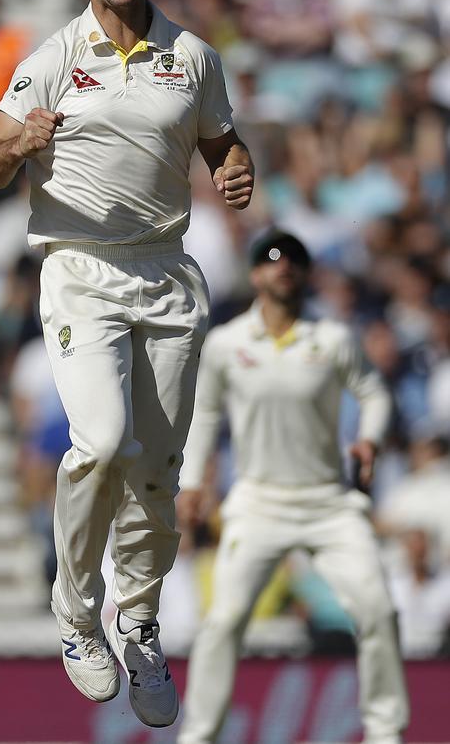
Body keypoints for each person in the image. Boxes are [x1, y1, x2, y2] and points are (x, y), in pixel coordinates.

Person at [0, 0, 254, 729]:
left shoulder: (192, 56)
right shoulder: (54, 57)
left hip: (168, 274)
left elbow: (220, 146)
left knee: (158, 478)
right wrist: (19, 143)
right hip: (81, 273)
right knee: (98, 442)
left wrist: (237, 169)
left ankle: (140, 623)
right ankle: (76, 613)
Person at [176, 229, 409, 744]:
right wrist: (192, 482)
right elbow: (204, 415)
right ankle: (198, 734)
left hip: (328, 501)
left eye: (293, 262)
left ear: (304, 274)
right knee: (223, 621)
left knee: (376, 608)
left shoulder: (332, 340)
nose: (282, 269)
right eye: (271, 262)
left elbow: (373, 393)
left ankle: (385, 730)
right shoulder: (226, 344)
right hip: (257, 502)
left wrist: (369, 440)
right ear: (256, 274)